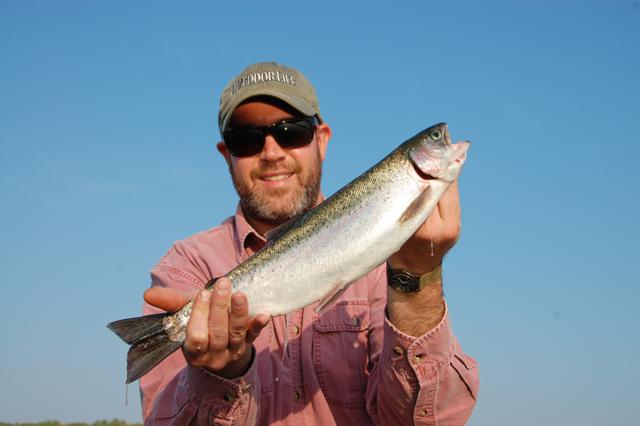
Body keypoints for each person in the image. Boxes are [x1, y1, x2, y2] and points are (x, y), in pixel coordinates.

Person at [140, 62, 478, 425]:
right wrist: (220, 374)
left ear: (322, 139)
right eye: (247, 140)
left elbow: (430, 420)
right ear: (227, 154)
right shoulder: (187, 265)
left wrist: (416, 276)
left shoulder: (385, 261)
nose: (271, 153)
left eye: (291, 131)